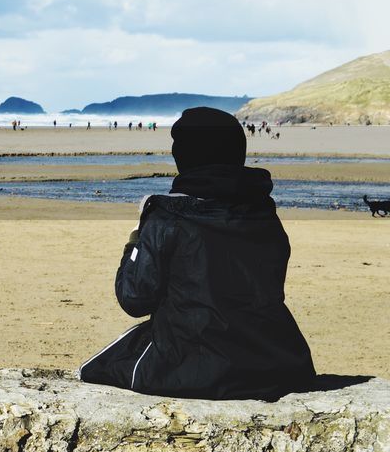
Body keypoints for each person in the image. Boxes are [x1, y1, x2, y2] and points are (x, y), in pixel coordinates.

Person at [79, 107, 315, 400]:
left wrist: (137, 236)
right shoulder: (265, 213)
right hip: (273, 360)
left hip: (191, 364)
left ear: (185, 158)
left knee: (97, 368)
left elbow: (134, 298)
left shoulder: (167, 217)